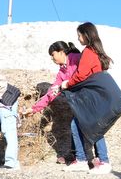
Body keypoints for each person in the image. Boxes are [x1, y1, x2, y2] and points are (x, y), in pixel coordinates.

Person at [21, 41, 88, 170]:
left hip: (89, 98)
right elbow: (51, 93)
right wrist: (34, 109)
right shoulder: (62, 71)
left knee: (81, 127)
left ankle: (93, 158)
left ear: (61, 52)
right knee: (75, 126)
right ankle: (77, 156)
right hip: (78, 102)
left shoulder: (77, 59)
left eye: (53, 55)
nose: (52, 58)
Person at [60, 22, 113, 175]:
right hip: (96, 95)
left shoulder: (89, 52)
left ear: (86, 35)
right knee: (78, 124)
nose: (78, 38)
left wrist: (66, 83)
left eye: (79, 35)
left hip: (90, 96)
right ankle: (82, 160)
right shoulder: (96, 51)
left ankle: (102, 161)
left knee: (93, 127)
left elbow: (81, 75)